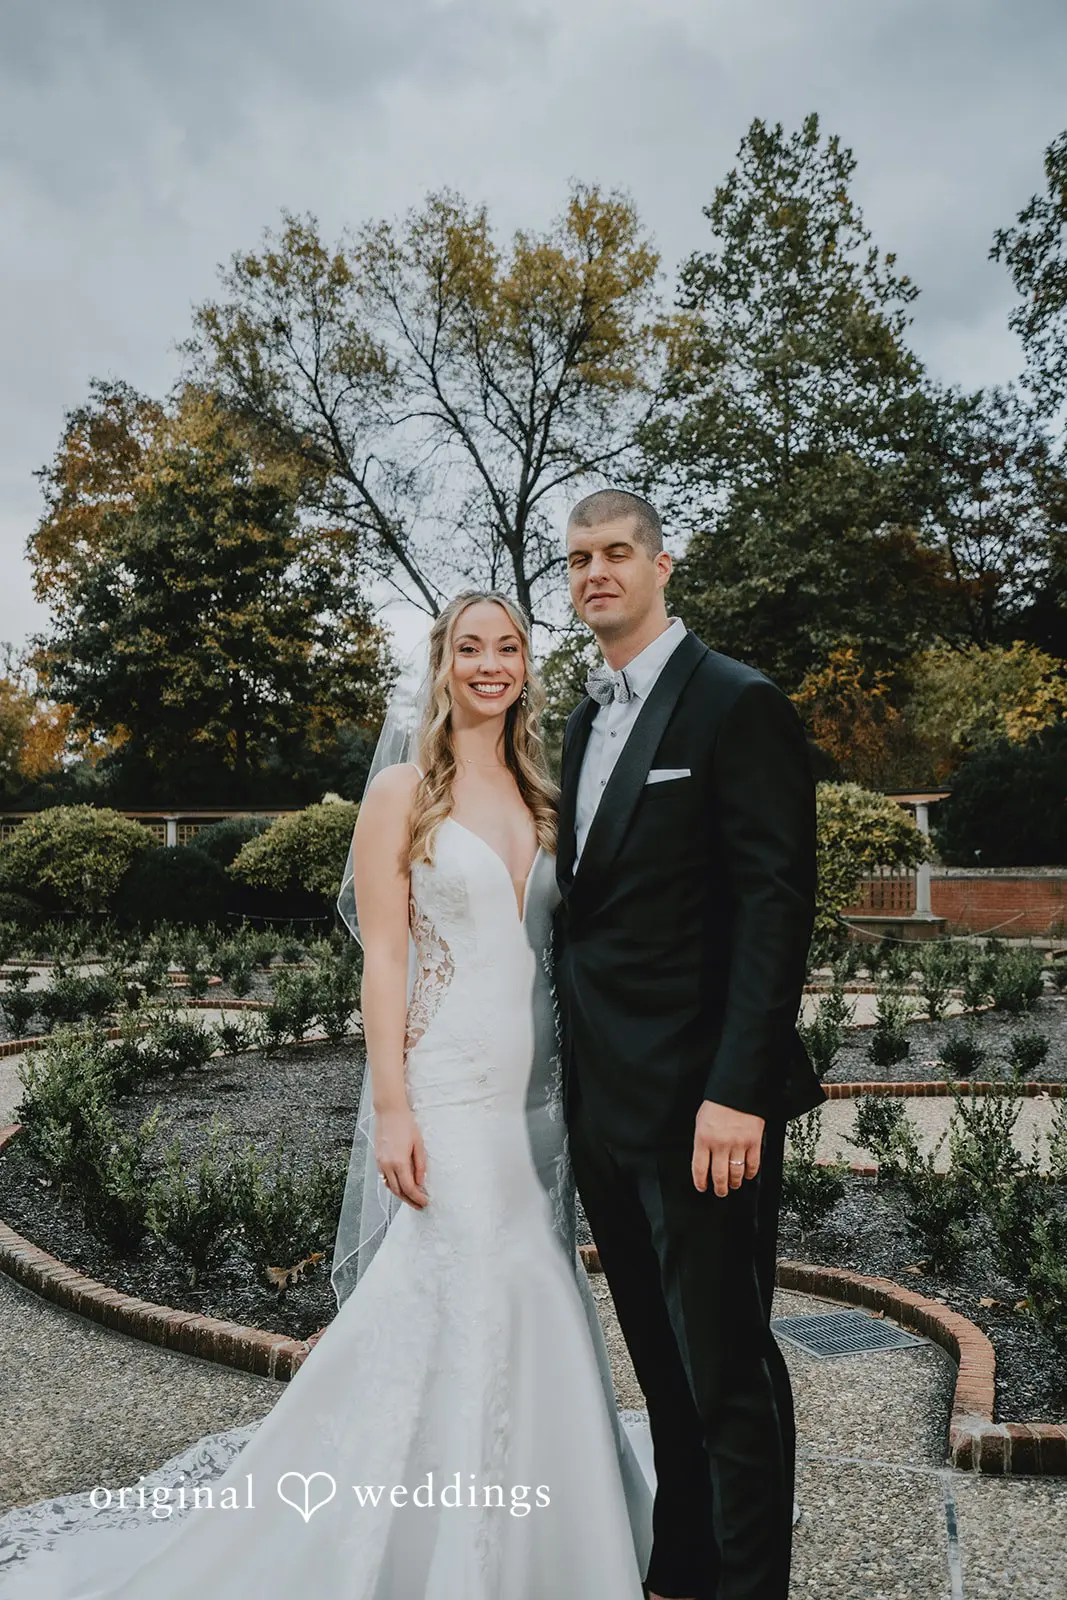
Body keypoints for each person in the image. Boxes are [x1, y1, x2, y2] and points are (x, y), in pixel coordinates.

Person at [0, 590, 652, 1599]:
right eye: (469, 648)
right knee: (482, 1280)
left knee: (536, 1281)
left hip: (538, 1091)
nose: (490, 663)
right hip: (446, 1084)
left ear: (528, 663)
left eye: (508, 647)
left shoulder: (542, 792)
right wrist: (392, 1105)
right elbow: (384, 959)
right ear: (441, 664)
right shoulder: (403, 790)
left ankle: (556, 1538)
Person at [553, 489, 826, 1600]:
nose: (595, 573)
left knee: (727, 1376)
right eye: (577, 559)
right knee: (659, 1372)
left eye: (616, 553)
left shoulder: (734, 704)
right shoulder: (580, 720)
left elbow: (775, 909)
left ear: (663, 565)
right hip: (604, 1108)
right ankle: (681, 1570)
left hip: (703, 1111)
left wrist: (737, 1093)